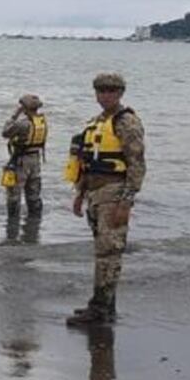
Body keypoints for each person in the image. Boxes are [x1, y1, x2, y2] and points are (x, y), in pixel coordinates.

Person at [64, 72, 145, 326]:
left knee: (108, 253)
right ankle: (104, 306)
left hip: (114, 192)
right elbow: (87, 162)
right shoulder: (96, 122)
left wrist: (126, 201)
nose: (106, 95)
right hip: (95, 193)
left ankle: (100, 309)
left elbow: (137, 164)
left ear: (120, 93)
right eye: (101, 90)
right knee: (102, 250)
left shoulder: (126, 122)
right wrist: (80, 194)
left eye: (111, 90)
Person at [0, 93, 47, 239]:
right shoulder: (42, 121)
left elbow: (5, 133)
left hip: (21, 161)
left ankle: (12, 228)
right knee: (34, 195)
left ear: (24, 107)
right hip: (35, 160)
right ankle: (34, 227)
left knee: (14, 195)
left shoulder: (23, 123)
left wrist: (14, 115)